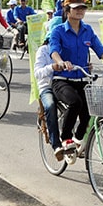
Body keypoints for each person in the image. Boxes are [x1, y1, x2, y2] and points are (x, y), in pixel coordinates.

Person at [49, 0, 103, 154]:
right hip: (63, 79)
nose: (80, 11)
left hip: (82, 78)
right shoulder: (58, 31)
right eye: (76, 8)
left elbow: (99, 48)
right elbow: (53, 50)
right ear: (67, 10)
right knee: (75, 102)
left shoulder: (87, 30)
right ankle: (65, 138)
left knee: (90, 110)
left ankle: (77, 139)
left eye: (82, 8)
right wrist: (60, 61)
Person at [34, 16, 64, 161]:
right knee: (51, 106)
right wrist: (51, 67)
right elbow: (37, 73)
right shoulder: (43, 50)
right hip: (47, 87)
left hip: (64, 84)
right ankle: (56, 144)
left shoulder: (66, 48)